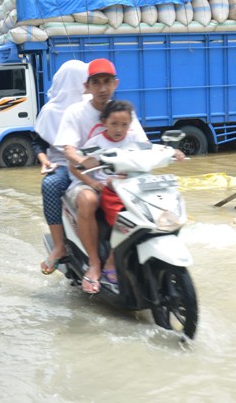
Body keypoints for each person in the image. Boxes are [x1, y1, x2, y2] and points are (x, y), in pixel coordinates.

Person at [53, 58, 148, 293]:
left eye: (107, 82)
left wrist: (169, 152)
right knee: (88, 200)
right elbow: (69, 150)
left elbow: (143, 144)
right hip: (85, 179)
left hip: (123, 180)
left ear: (116, 84)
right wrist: (84, 162)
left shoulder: (123, 111)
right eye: (96, 83)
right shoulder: (76, 112)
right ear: (87, 86)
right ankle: (95, 264)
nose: (102, 88)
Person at [69, 100, 185, 285]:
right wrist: (92, 182)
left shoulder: (135, 140)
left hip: (135, 187)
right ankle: (110, 260)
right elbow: (74, 166)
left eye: (124, 124)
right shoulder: (96, 143)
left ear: (130, 124)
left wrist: (174, 152)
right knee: (122, 217)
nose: (119, 129)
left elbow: (155, 150)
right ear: (104, 122)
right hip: (111, 189)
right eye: (114, 124)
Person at [32, 59, 88, 275]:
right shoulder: (50, 111)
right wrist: (45, 160)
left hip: (95, 163)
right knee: (50, 185)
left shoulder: (93, 106)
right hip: (63, 164)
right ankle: (59, 245)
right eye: (84, 80)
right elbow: (38, 142)